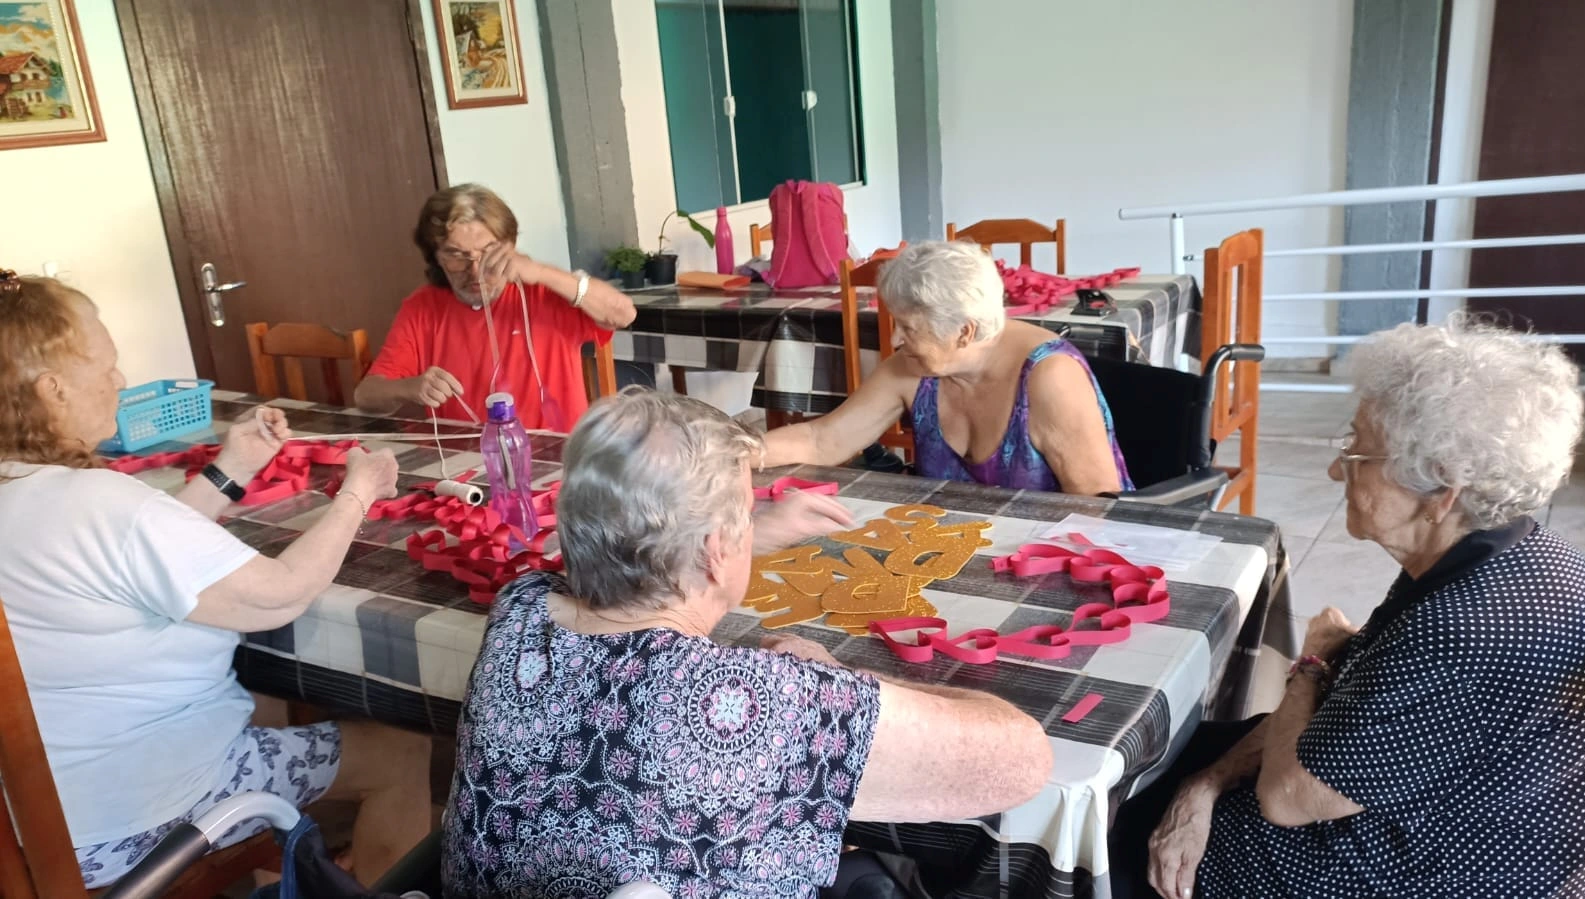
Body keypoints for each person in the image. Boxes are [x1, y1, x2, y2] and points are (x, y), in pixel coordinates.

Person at [442, 388, 1054, 898]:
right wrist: (835, 678)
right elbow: (1023, 761)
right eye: (743, 511)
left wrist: (733, 537)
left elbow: (615, 551)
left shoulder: (519, 608)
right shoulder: (749, 703)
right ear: (715, 551)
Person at [1108, 321, 1585, 898]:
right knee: (1166, 758)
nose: (1335, 469)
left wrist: (1312, 661)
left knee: (1110, 831)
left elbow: (1287, 797)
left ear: (1442, 491)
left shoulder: (1455, 630)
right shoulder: (1517, 554)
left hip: (1426, 872)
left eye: (1358, 452)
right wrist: (1206, 783)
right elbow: (1351, 723)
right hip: (1437, 820)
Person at [0, 272, 434, 888]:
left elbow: (138, 555)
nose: (120, 381)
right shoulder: (99, 504)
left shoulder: (29, 492)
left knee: (264, 701)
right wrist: (357, 494)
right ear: (53, 390)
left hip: (33, 819)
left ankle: (296, 870)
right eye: (106, 366)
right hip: (135, 814)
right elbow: (282, 593)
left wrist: (231, 469)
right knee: (402, 749)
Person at [760, 240, 1132, 495]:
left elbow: (1094, 506)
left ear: (964, 332)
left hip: (1047, 554)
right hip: (957, 546)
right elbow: (823, 440)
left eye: (909, 328)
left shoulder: (1050, 377)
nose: (895, 340)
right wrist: (731, 454)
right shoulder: (915, 367)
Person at [354, 183, 640, 431]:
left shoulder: (544, 292)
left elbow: (623, 313)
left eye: (488, 252)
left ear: (510, 246)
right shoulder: (422, 308)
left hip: (555, 461)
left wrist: (541, 272)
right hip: (466, 463)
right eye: (456, 255)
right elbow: (366, 397)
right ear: (436, 257)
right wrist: (409, 388)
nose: (475, 270)